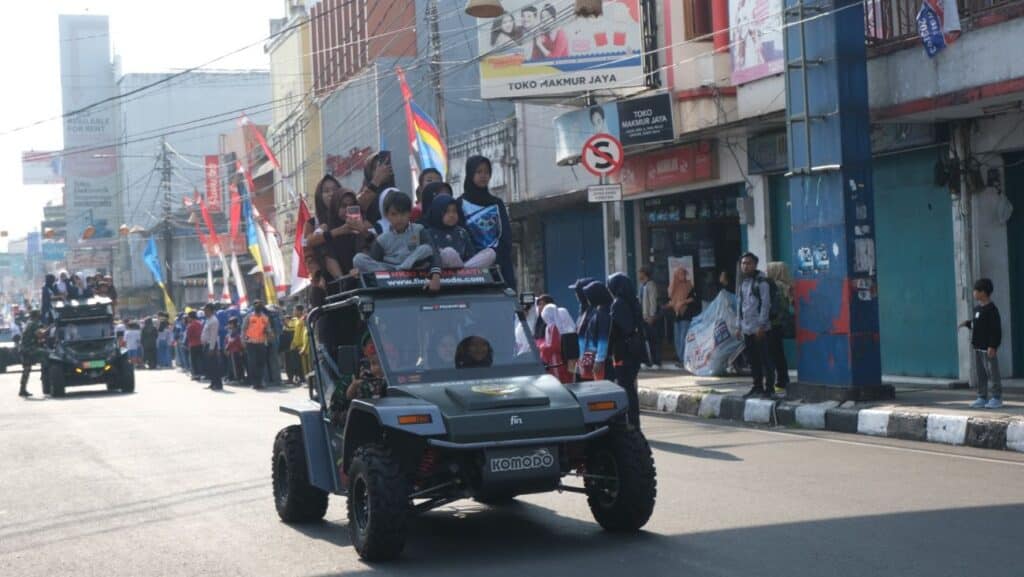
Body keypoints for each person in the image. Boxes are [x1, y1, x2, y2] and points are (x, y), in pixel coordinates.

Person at [353, 191, 443, 291]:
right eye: (394, 214)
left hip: (415, 267)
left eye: (403, 214)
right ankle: (398, 270)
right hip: (391, 270)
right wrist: (358, 270)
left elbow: (433, 253)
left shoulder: (419, 230)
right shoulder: (382, 239)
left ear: (409, 213)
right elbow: (374, 262)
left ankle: (401, 269)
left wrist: (436, 275)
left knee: (426, 248)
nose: (399, 218)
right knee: (358, 259)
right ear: (387, 216)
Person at [458, 156, 516, 289]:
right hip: (472, 264)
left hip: (498, 265)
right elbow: (461, 234)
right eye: (479, 172)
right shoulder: (460, 204)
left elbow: (505, 234)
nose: (483, 176)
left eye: (487, 172)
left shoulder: (496, 203)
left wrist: (497, 255)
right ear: (470, 174)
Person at [608, 273, 647, 429]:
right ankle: (634, 421)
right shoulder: (633, 301)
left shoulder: (618, 304)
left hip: (623, 351)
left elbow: (618, 329)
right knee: (630, 387)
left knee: (626, 387)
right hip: (634, 350)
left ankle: (630, 422)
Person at [960, 278, 1003, 409]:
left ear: (983, 292)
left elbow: (996, 329)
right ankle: (982, 397)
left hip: (988, 348)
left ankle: (996, 397)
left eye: (975, 291)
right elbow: (976, 324)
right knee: (981, 374)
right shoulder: (977, 309)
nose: (974, 293)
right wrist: (967, 324)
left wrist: (993, 345)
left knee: (992, 373)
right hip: (978, 347)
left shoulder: (992, 310)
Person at [425, 194, 497, 269]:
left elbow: (471, 257)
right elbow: (430, 260)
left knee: (490, 253)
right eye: (446, 212)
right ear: (437, 213)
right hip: (442, 273)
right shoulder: (428, 233)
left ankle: (462, 274)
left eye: (454, 211)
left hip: (465, 267)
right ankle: (463, 274)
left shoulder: (461, 232)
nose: (451, 215)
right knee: (448, 252)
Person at [322, 188, 373, 290]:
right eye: (343, 206)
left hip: (366, 282)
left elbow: (374, 249)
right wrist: (345, 280)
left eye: (351, 206)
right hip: (340, 289)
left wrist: (363, 231)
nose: (347, 210)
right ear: (335, 207)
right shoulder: (329, 230)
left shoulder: (365, 226)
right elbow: (328, 258)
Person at [737, 253, 772, 398]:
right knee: (753, 361)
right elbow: (740, 305)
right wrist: (739, 326)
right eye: (743, 263)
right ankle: (756, 386)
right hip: (747, 329)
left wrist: (762, 326)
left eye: (749, 263)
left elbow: (766, 304)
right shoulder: (743, 283)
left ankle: (769, 389)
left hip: (760, 329)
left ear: (755, 265)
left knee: (765, 360)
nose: (745, 266)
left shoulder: (762, 282)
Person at [764, 262, 793, 392]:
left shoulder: (775, 286)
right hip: (781, 323)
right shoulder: (787, 286)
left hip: (773, 323)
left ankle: (780, 381)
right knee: (779, 353)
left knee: (772, 353)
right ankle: (783, 379)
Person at [578, 281, 612, 382]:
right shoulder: (598, 311)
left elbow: (603, 339)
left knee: (600, 388)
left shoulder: (603, 314)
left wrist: (599, 360)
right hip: (590, 354)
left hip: (597, 357)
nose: (588, 299)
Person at [668, 265, 701, 368]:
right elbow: (670, 296)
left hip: (686, 314)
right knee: (677, 338)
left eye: (684, 273)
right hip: (676, 314)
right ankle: (680, 358)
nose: (683, 276)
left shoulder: (689, 285)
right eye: (680, 274)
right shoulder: (673, 285)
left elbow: (694, 298)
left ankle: (683, 359)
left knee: (683, 337)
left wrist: (682, 302)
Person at [357, 152, 396, 225]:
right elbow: (358, 206)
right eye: (376, 168)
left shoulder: (397, 187)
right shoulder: (365, 191)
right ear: (368, 172)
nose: (382, 170)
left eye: (385, 165)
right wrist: (377, 180)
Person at [243, 300, 274, 389]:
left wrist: (270, 334)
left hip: (261, 343)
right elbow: (244, 329)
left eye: (260, 306)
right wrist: (243, 341)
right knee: (252, 363)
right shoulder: (249, 316)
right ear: (254, 308)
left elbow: (268, 328)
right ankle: (254, 383)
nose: (258, 308)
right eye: (257, 306)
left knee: (261, 363)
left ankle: (260, 382)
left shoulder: (265, 318)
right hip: (251, 343)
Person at [539, 304, 572, 383]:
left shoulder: (554, 327)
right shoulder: (549, 327)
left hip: (556, 359)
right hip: (553, 358)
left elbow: (555, 345)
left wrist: (542, 347)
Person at [638, 267, 662, 370]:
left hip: (649, 317)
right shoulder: (642, 286)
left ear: (645, 274)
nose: (639, 275)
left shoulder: (650, 285)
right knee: (645, 340)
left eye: (640, 273)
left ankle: (656, 362)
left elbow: (653, 301)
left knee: (653, 340)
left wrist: (652, 315)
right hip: (643, 316)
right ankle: (647, 361)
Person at [18, 310, 44, 398]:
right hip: (28, 349)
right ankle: (44, 377)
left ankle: (22, 389)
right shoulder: (33, 324)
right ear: (36, 316)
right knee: (47, 355)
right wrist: (47, 330)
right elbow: (39, 335)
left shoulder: (29, 322)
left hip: (25, 349)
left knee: (26, 369)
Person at [288, 305, 308, 385]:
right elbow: (290, 327)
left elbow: (305, 334)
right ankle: (305, 379)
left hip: (304, 345)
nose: (294, 312)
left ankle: (309, 381)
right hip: (298, 346)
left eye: (295, 310)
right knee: (301, 366)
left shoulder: (304, 320)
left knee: (307, 365)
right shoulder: (297, 320)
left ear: (300, 311)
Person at [265, 305, 284, 387]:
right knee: (274, 360)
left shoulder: (269, 317)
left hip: (270, 339)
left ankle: (274, 380)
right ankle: (277, 379)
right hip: (276, 339)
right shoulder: (276, 316)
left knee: (272, 360)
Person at [225, 318, 245, 384]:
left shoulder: (235, 332)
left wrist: (227, 348)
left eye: (230, 324)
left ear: (233, 324)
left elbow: (232, 341)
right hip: (235, 350)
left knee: (235, 366)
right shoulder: (233, 331)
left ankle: (236, 379)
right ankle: (237, 378)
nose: (229, 325)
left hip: (234, 350)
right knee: (236, 365)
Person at [185, 312, 204, 381]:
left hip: (193, 344)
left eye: (188, 317)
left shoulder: (191, 325)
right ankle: (200, 374)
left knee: (194, 361)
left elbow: (188, 335)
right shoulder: (200, 324)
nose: (187, 319)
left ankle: (196, 375)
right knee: (200, 360)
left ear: (190, 317)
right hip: (200, 344)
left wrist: (186, 344)